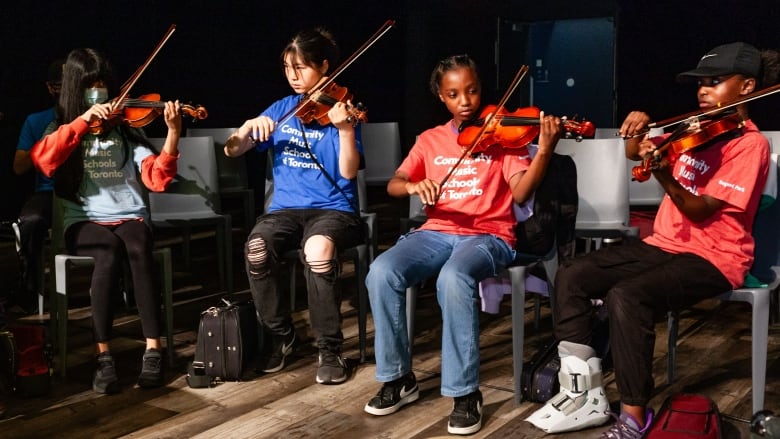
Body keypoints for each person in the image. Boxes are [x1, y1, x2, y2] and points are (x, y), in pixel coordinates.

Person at [527, 42, 780, 438]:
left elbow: (699, 210)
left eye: (715, 82)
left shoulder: (750, 145)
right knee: (574, 274)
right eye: (700, 83)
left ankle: (633, 415)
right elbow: (635, 154)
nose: (703, 91)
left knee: (628, 295)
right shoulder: (694, 129)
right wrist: (638, 130)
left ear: (747, 87)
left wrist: (663, 174)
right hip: (665, 244)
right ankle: (582, 393)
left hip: (716, 258)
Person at [363, 54, 562, 435]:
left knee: (453, 277)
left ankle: (465, 393)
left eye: (472, 90)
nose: (465, 101)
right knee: (381, 271)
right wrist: (412, 185)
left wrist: (547, 148)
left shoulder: (502, 138)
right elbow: (394, 183)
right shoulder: (429, 140)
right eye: (454, 94)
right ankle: (397, 379)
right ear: (442, 97)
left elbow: (520, 194)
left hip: (489, 234)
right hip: (436, 230)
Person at [30, 48, 183, 394]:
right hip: (83, 219)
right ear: (75, 89)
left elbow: (157, 179)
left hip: (128, 213)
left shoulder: (125, 131)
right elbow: (43, 161)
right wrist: (82, 122)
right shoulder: (64, 129)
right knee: (106, 252)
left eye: (102, 85)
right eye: (90, 86)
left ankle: (153, 350)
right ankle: (104, 356)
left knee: (139, 245)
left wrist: (172, 133)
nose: (98, 93)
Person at [223, 27, 364, 385]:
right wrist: (244, 130)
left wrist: (346, 131)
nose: (293, 76)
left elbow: (348, 173)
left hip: (335, 210)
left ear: (325, 67)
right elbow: (232, 150)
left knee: (317, 250)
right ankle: (281, 335)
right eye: (288, 68)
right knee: (256, 248)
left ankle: (330, 348)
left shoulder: (341, 111)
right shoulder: (282, 109)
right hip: (285, 210)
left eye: (300, 67)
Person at [10, 59, 63, 314]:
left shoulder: (91, 118)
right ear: (50, 88)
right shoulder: (36, 120)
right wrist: (44, 144)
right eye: (58, 86)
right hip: (48, 191)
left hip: (86, 190)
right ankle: (29, 288)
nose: (64, 91)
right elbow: (19, 167)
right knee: (30, 220)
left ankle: (118, 285)